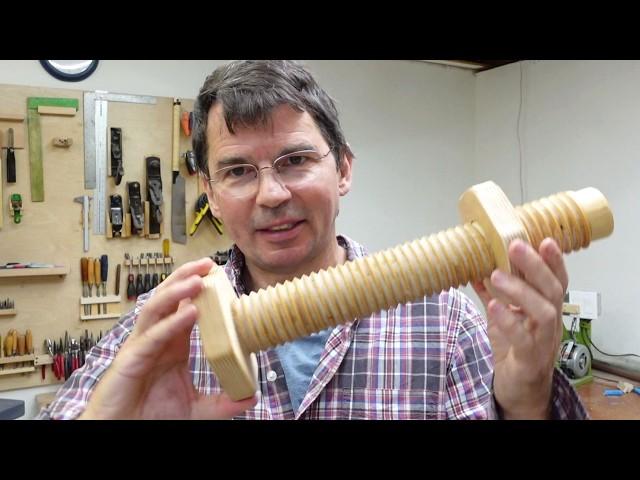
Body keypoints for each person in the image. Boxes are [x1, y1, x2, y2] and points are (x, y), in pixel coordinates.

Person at [38, 60, 587, 420]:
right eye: (237, 171)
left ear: (343, 169)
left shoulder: (446, 324)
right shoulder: (159, 331)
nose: (271, 194)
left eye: (295, 160)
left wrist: (527, 399)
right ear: (207, 189)